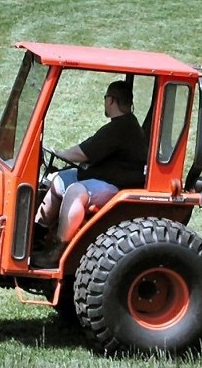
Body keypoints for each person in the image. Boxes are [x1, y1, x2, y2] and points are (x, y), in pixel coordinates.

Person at [31, 80, 148, 268]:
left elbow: (83, 153)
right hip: (103, 176)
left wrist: (60, 153)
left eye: (105, 99)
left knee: (76, 191)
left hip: (116, 186)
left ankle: (57, 250)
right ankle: (37, 235)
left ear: (111, 100)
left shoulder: (121, 127)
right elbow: (92, 147)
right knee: (57, 180)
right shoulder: (123, 125)